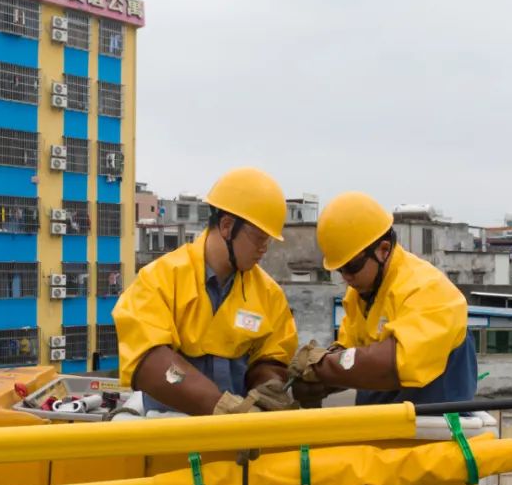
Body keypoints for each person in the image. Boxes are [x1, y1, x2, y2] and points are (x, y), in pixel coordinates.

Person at [113, 167, 298, 415]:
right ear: (226, 226)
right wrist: (218, 406)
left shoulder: (269, 295)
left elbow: (271, 358)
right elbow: (152, 365)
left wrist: (266, 387)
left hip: (238, 439)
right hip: (170, 434)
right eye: (259, 238)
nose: (264, 249)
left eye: (269, 241)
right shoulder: (159, 280)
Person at [289, 191, 476, 406]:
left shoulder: (428, 290)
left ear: (383, 250)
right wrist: (313, 380)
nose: (347, 277)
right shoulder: (361, 294)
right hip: (383, 426)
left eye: (352, 266)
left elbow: (394, 364)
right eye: (340, 269)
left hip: (433, 428)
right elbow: (351, 358)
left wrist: (322, 366)